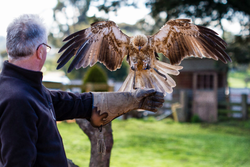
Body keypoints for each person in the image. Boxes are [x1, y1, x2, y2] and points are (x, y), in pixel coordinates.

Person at [0, 14, 164, 166]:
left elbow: (74, 103)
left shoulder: (23, 88)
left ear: (9, 50)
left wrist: (132, 100)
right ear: (41, 52)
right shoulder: (18, 101)